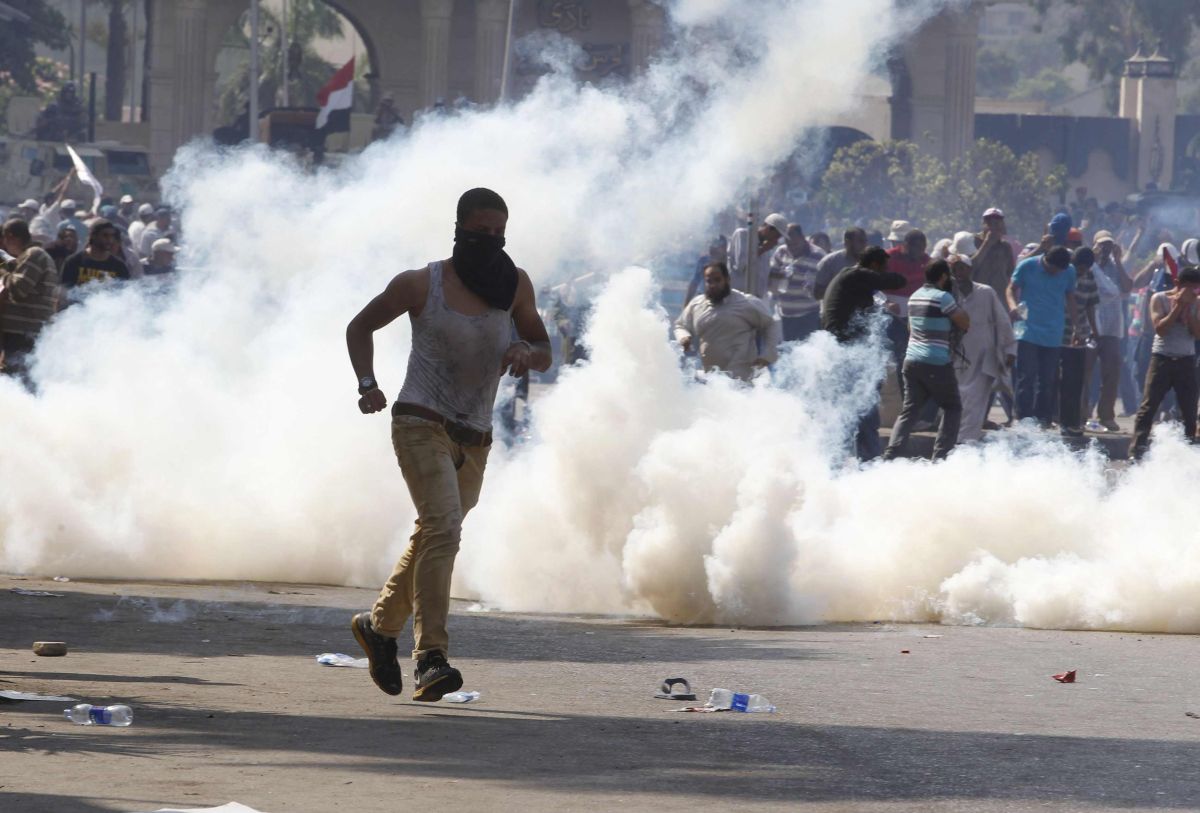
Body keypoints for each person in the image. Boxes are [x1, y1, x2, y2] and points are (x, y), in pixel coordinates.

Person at [345, 188, 552, 701]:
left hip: (475, 435)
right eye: (481, 232)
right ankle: (430, 657)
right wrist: (368, 385)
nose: (491, 241)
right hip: (421, 420)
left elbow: (545, 349)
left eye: (499, 233)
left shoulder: (514, 285)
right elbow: (360, 326)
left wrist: (527, 351)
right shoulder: (423, 284)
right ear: (459, 230)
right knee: (444, 527)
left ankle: (379, 628)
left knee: (436, 533)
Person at [821, 246, 907, 460]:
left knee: (853, 413)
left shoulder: (853, 280)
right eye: (882, 267)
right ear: (875, 266)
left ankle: (852, 464)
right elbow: (897, 281)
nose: (884, 271)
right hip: (848, 353)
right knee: (863, 412)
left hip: (846, 351)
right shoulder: (857, 274)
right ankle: (867, 466)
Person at [883, 259, 970, 460]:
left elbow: (910, 329)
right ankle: (941, 457)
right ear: (943, 277)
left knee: (910, 411)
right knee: (952, 407)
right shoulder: (944, 298)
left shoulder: (915, 296)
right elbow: (964, 322)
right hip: (936, 361)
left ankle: (891, 454)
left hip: (911, 360)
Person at [948, 236, 1015, 443]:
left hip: (983, 355)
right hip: (957, 354)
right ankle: (955, 439)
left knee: (977, 398)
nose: (959, 273)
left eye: (962, 269)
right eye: (955, 269)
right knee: (958, 396)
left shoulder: (985, 292)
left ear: (969, 270)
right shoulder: (948, 295)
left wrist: (1010, 350)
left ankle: (967, 440)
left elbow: (1003, 321)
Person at [1129, 265, 1200, 460]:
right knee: (1149, 406)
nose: (1193, 292)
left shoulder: (1198, 302)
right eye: (1189, 288)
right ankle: (1137, 451)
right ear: (1178, 284)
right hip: (1162, 358)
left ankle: (1189, 454)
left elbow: (1197, 334)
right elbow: (1160, 329)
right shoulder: (1159, 298)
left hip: (1186, 359)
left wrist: (1191, 310)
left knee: (1189, 409)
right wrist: (1178, 306)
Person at [675, 262, 780, 380]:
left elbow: (770, 324)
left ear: (727, 279)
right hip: (713, 379)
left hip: (741, 379)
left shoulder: (746, 303)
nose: (713, 285)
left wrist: (767, 355)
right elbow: (681, 325)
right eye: (709, 281)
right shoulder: (697, 304)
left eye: (717, 280)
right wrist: (684, 337)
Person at [1008, 246, 1077, 426]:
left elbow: (1070, 297)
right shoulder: (1028, 266)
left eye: (1058, 271)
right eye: (1052, 269)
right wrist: (1013, 306)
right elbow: (1010, 289)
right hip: (1027, 329)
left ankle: (1042, 418)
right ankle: (1023, 418)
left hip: (1053, 332)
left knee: (1048, 379)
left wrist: (1076, 325)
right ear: (1045, 259)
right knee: (1027, 376)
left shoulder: (1069, 271)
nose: (1055, 273)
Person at [0, 219, 59, 379]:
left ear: (10, 237)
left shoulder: (34, 255)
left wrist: (2, 273)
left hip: (23, 333)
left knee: (16, 380)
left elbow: (19, 289)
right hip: (23, 333)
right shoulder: (32, 256)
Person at [1089, 231, 1132, 431]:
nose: (1105, 249)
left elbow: (1127, 287)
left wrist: (1119, 260)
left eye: (1108, 245)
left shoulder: (1116, 267)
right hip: (1090, 325)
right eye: (1102, 245)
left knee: (1112, 372)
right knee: (1086, 371)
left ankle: (1106, 415)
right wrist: (1094, 258)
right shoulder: (1088, 265)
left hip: (1112, 327)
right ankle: (1082, 414)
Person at [1057, 247, 1100, 437]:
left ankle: (1072, 422)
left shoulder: (1090, 277)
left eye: (1084, 268)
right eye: (1079, 267)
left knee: (1074, 382)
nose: (1081, 271)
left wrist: (1094, 330)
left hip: (1078, 336)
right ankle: (1053, 419)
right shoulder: (1064, 273)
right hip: (1057, 334)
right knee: (1052, 379)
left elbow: (1090, 305)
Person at [770, 223, 824, 341]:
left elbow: (825, 285)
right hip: (786, 315)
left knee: (807, 352)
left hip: (809, 315)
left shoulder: (818, 255)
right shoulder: (781, 252)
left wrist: (812, 286)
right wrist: (782, 275)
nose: (792, 248)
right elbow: (771, 277)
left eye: (795, 244)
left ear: (803, 238)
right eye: (789, 244)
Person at [729, 213, 787, 300]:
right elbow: (742, 266)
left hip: (756, 300)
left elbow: (763, 275)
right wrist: (763, 249)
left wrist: (780, 275)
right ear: (768, 228)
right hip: (738, 298)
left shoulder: (766, 250)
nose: (776, 239)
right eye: (777, 235)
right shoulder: (743, 235)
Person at [61, 219, 131, 290]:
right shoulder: (74, 262)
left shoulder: (119, 266)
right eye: (105, 235)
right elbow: (65, 292)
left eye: (112, 236)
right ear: (93, 236)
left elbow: (124, 293)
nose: (110, 240)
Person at [813, 226, 868, 302]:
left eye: (865, 241)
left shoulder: (869, 262)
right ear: (847, 242)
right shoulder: (830, 262)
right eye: (860, 241)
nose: (865, 245)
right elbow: (817, 294)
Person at [972, 208, 1017, 296]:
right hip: (979, 295)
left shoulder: (1005, 247)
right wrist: (987, 244)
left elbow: (1010, 275)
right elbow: (969, 267)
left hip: (1000, 297)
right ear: (983, 224)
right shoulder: (973, 241)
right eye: (989, 223)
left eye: (997, 223)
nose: (994, 226)